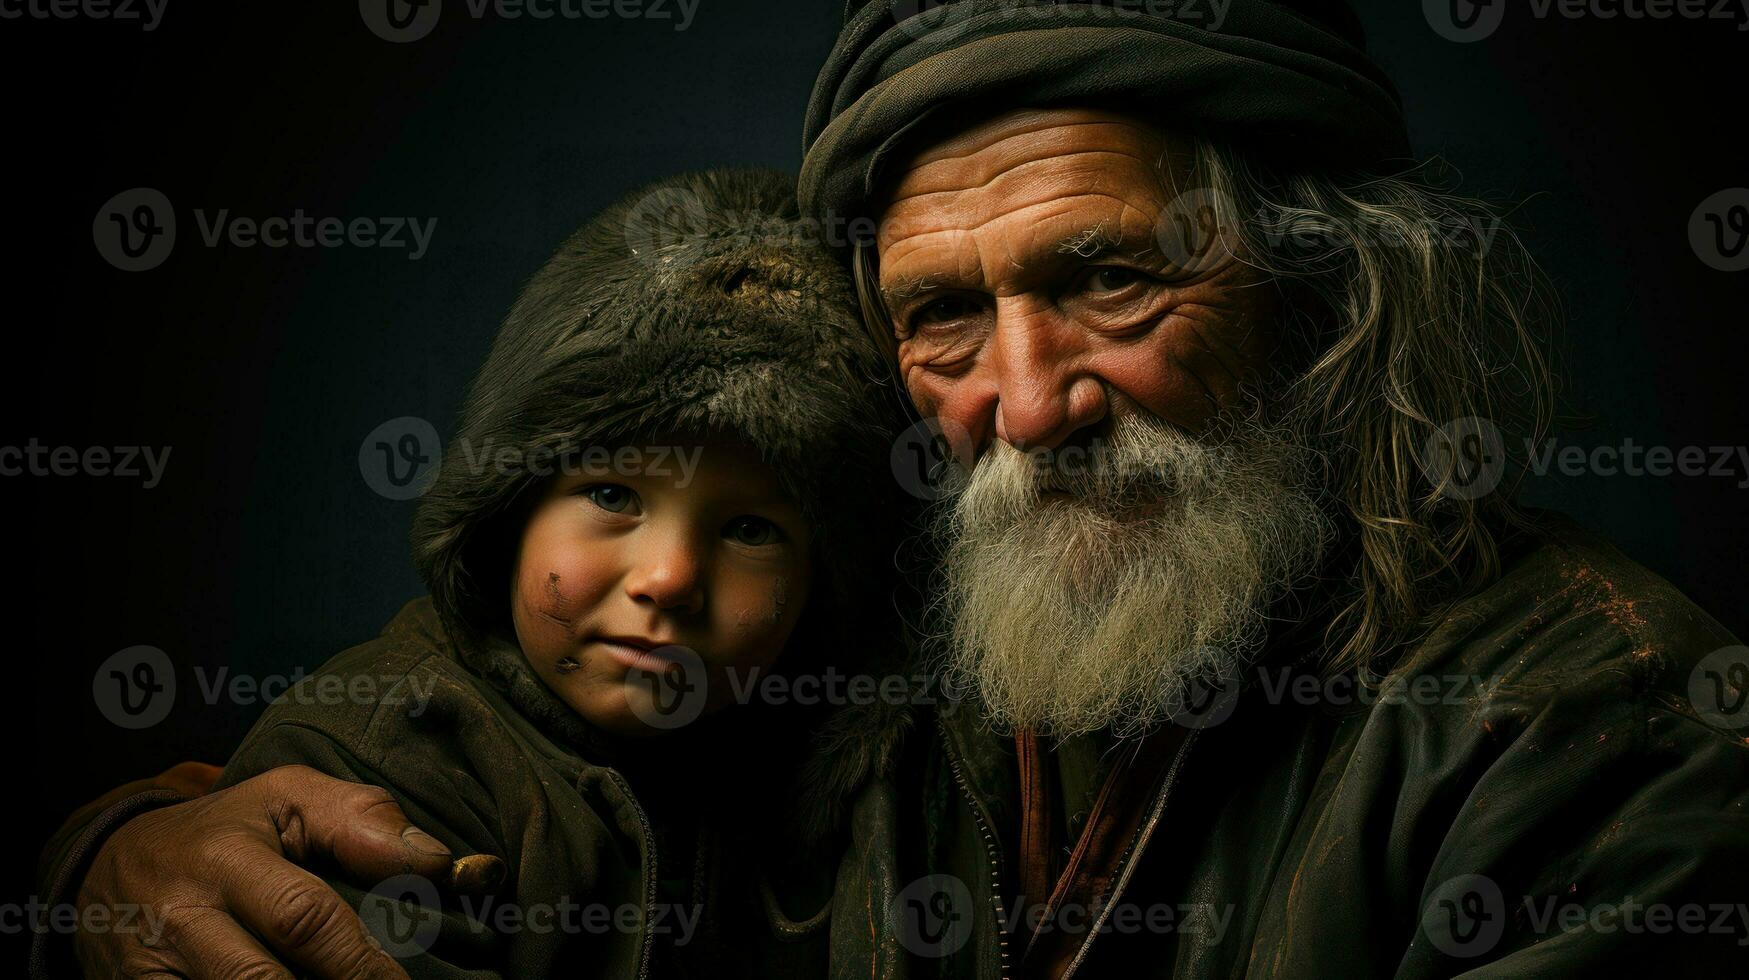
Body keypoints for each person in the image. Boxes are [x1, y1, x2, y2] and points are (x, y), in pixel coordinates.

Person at [40, 3, 1749, 978]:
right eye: (941, 315)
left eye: (1109, 281)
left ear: (1317, 296)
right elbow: (504, 767)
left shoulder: (1595, 729)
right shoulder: (843, 638)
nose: (1021, 406)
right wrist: (126, 851)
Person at [39, 168, 912, 978]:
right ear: (507, 512)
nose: (669, 577)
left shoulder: (842, 762)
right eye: (611, 492)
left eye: (752, 528)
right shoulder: (388, 761)